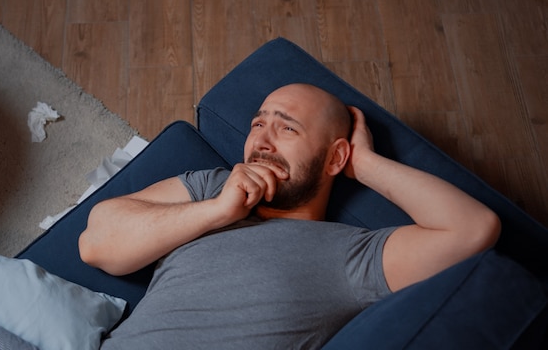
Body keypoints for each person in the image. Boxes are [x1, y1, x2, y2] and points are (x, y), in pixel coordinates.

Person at [79, 83, 501, 349]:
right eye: (257, 124)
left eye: (287, 129)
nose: (261, 141)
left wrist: (365, 164)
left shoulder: (351, 259)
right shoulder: (212, 189)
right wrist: (217, 211)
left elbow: (473, 230)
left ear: (335, 156)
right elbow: (96, 243)